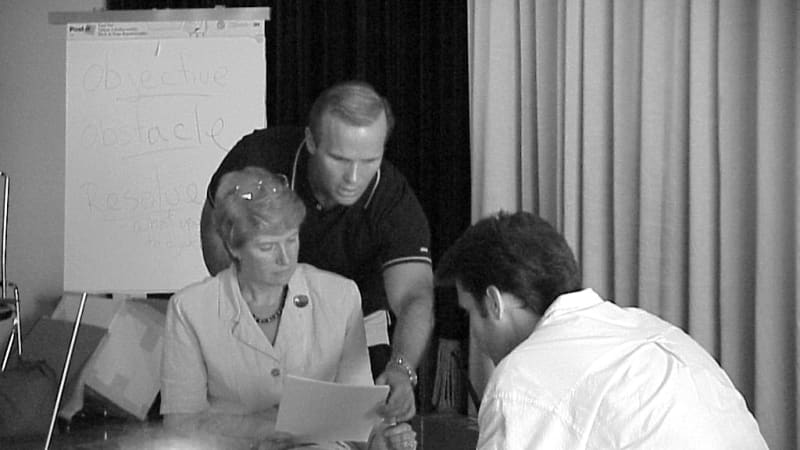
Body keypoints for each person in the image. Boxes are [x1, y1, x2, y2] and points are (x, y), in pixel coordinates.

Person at [200, 81, 433, 423]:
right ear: (311, 141)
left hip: (354, 329)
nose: (353, 177)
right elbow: (214, 227)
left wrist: (401, 369)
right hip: (257, 316)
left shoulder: (392, 198)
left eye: (370, 160)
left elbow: (414, 295)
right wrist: (250, 308)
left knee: (361, 425)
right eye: (339, 159)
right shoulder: (259, 158)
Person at [434, 211, 769, 449]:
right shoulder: (656, 332)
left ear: (494, 303)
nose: (474, 335)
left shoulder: (521, 378)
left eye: (469, 313)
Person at [162, 167, 417, 450]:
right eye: (267, 247)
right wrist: (273, 430)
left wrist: (380, 439)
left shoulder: (339, 296)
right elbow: (180, 423)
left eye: (292, 240)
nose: (285, 258)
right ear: (234, 248)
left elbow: (358, 415)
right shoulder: (191, 309)